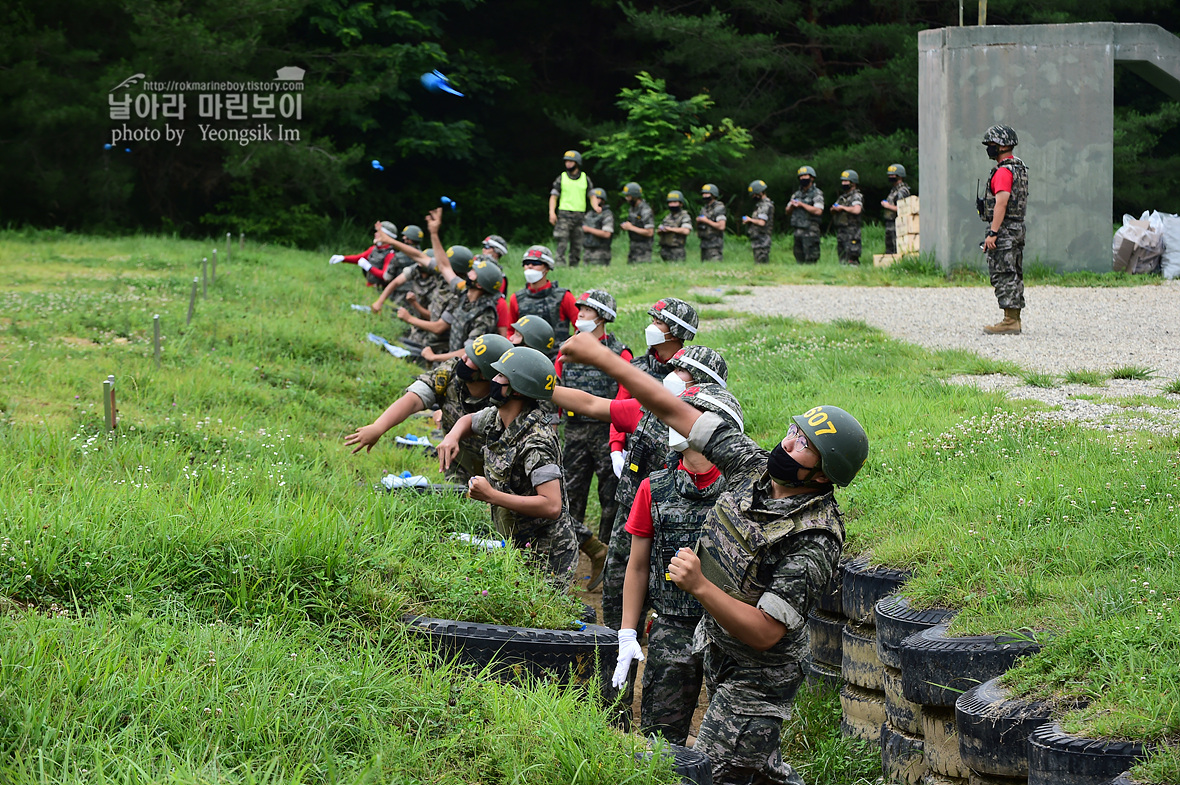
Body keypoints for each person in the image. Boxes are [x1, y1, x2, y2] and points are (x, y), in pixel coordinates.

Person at [558, 329, 869, 785]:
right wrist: (606, 360)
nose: (786, 444)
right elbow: (673, 410)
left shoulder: (815, 539)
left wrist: (699, 585)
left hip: (758, 678)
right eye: (792, 431)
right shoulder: (753, 468)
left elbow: (766, 632)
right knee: (754, 769)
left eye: (802, 445)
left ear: (823, 475)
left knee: (702, 773)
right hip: (719, 648)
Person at [615, 383, 744, 746]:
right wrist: (628, 632)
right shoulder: (653, 488)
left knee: (732, 745)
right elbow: (638, 566)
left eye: (689, 414)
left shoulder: (744, 491)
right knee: (660, 742)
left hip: (729, 629)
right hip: (671, 628)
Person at [438, 346, 579, 590]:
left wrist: (492, 496)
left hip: (547, 555)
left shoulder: (536, 442)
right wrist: (452, 437)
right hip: (516, 542)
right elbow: (468, 421)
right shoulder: (499, 416)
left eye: (501, 376)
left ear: (518, 388)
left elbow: (552, 505)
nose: (493, 380)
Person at [346, 333, 512, 483]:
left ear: (485, 374)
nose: (463, 359)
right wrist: (378, 427)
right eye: (466, 353)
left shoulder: (504, 398)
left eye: (471, 360)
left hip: (499, 475)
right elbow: (414, 399)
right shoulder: (449, 373)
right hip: (458, 462)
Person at [556, 290, 633, 547]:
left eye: (586, 311)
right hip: (574, 432)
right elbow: (555, 387)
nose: (580, 315)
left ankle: (606, 553)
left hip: (606, 433)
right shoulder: (567, 348)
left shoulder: (620, 353)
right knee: (570, 494)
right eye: (579, 310)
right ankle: (571, 549)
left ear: (601, 317)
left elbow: (624, 399)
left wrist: (617, 445)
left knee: (610, 498)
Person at [979, 124, 1028, 335]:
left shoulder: (1003, 171)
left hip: (1005, 230)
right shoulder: (1019, 167)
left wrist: (993, 232)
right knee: (1014, 273)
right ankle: (1013, 318)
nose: (988, 148)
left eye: (991, 144)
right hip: (1017, 227)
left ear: (1000, 146)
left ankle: (1010, 321)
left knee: (1003, 273)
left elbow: (1002, 202)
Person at [507, 245, 579, 344]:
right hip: (525, 354)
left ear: (547, 268)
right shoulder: (516, 298)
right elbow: (510, 331)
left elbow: (579, 328)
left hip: (557, 355)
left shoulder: (564, 297)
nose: (530, 266)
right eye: (526, 263)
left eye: (536, 263)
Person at [549, 150, 599, 267]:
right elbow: (553, 197)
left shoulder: (585, 178)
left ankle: (574, 266)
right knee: (562, 241)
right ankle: (560, 265)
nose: (568, 164)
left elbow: (592, 195)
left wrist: (595, 206)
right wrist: (552, 212)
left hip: (580, 216)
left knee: (577, 244)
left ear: (577, 163)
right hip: (564, 215)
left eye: (571, 161)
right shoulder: (561, 178)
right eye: (566, 161)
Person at [329, 221, 402, 286]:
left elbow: (384, 275)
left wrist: (369, 267)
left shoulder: (390, 254)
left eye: (378, 232)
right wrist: (343, 258)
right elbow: (360, 258)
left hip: (380, 289)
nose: (375, 234)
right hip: (370, 286)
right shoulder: (374, 248)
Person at [785, 166, 824, 264]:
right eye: (801, 176)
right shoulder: (796, 194)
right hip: (797, 230)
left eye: (805, 176)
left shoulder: (817, 193)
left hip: (810, 230)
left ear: (812, 178)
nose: (803, 178)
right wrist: (792, 206)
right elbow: (787, 211)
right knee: (799, 259)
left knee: (811, 259)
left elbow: (818, 211)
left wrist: (802, 205)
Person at [830, 169, 864, 265]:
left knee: (852, 256)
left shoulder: (856, 196)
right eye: (843, 181)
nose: (843, 183)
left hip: (852, 231)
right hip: (842, 230)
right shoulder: (842, 197)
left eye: (846, 181)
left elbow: (857, 210)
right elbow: (833, 209)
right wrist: (834, 209)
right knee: (842, 256)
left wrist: (843, 208)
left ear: (853, 183)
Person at [619, 182, 655, 263]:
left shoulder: (645, 210)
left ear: (635, 196)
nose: (626, 199)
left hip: (644, 251)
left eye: (628, 196)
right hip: (633, 248)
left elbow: (650, 232)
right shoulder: (632, 209)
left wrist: (631, 228)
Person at [881, 164, 911, 255]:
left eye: (892, 175)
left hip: (898, 224)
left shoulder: (902, 191)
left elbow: (903, 209)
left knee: (896, 249)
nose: (890, 177)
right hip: (890, 223)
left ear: (899, 176)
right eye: (889, 175)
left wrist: (887, 206)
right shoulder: (894, 190)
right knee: (889, 250)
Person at [742, 180, 774, 264]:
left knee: (762, 263)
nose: (754, 196)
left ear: (761, 192)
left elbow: (761, 223)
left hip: (762, 239)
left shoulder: (765, 205)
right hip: (758, 238)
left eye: (755, 194)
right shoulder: (760, 205)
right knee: (758, 262)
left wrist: (750, 220)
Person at [581, 187, 614, 265]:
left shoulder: (607, 214)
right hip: (587, 253)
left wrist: (588, 229)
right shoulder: (589, 214)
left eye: (596, 198)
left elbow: (607, 234)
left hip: (601, 253)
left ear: (602, 200)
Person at [657, 190, 693, 262]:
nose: (672, 205)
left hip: (677, 250)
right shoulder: (667, 217)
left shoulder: (684, 216)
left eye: (675, 202)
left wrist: (671, 229)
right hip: (665, 249)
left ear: (681, 203)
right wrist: (661, 230)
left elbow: (686, 231)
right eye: (670, 203)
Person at [696, 183, 727, 262]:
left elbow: (721, 226)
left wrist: (706, 221)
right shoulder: (704, 209)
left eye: (707, 194)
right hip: (704, 244)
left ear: (713, 195)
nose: (705, 196)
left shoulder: (719, 208)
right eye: (703, 194)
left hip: (714, 245)